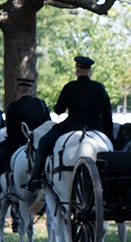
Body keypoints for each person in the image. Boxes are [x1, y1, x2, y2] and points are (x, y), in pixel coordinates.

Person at [27, 56, 113, 190]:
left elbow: (59, 110)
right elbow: (107, 114)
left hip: (71, 125)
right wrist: (109, 135)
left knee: (44, 142)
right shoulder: (100, 88)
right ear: (89, 71)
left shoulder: (70, 87)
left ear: (77, 70)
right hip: (96, 127)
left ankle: (36, 177)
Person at [0, 78, 50, 209]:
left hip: (16, 142)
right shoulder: (41, 104)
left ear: (18, 91)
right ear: (31, 90)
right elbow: (47, 125)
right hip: (38, 143)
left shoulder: (13, 106)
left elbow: (10, 131)